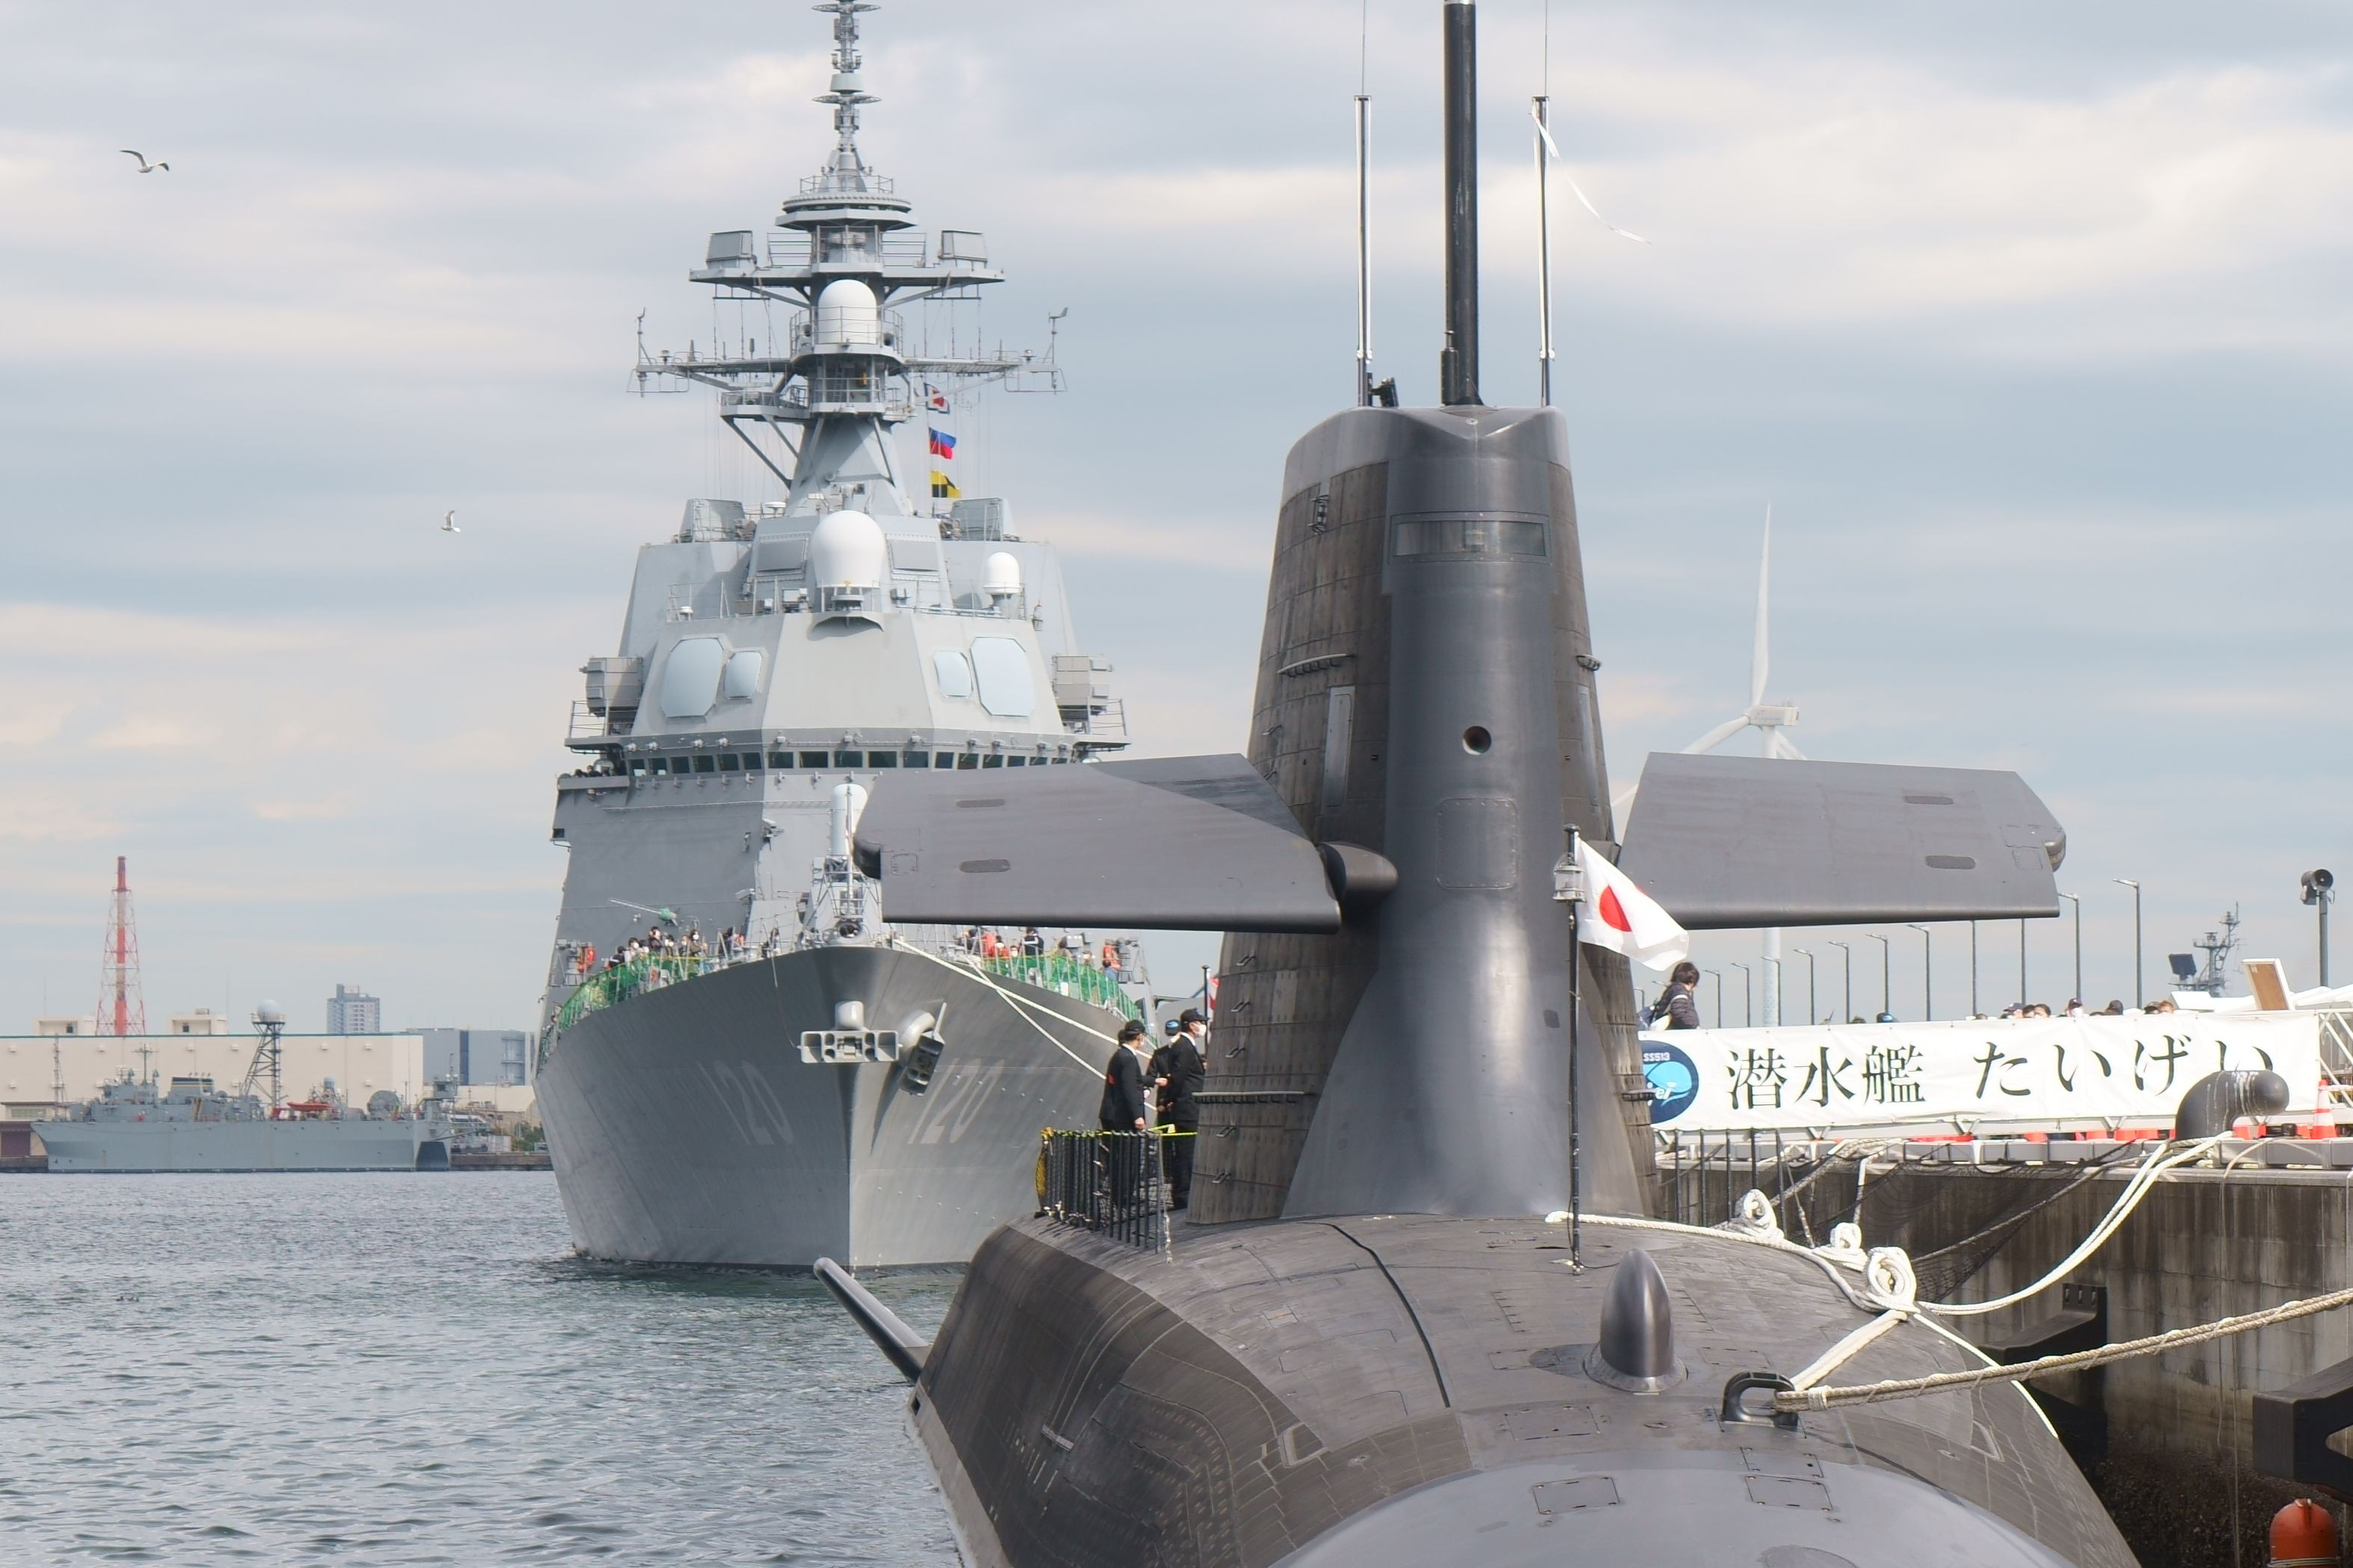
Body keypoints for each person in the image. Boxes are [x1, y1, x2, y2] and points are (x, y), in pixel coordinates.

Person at [1150, 1009, 1207, 1213]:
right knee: (1186, 1153)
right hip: (1187, 1109)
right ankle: (1184, 1195)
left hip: (1187, 1107)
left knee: (1187, 1152)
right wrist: (1169, 1100)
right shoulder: (1184, 1047)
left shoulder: (1184, 1046)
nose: (1203, 1026)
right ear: (1192, 1025)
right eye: (1200, 1022)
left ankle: (1184, 1192)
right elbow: (1179, 1077)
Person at [1099, 1021, 1152, 1212]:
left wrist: (1152, 1081)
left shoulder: (1119, 1055)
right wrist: (1138, 1116)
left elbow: (1129, 1081)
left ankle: (1120, 1195)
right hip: (1122, 1118)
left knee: (1118, 1157)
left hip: (1111, 1114)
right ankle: (1124, 1196)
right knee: (1128, 1158)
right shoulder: (1129, 1058)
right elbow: (1129, 1088)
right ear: (1139, 1037)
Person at [1645, 962, 1702, 1030]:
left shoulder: (1673, 990)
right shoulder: (1680, 993)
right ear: (1691, 982)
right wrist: (1693, 1024)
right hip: (1675, 1032)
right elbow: (1679, 1013)